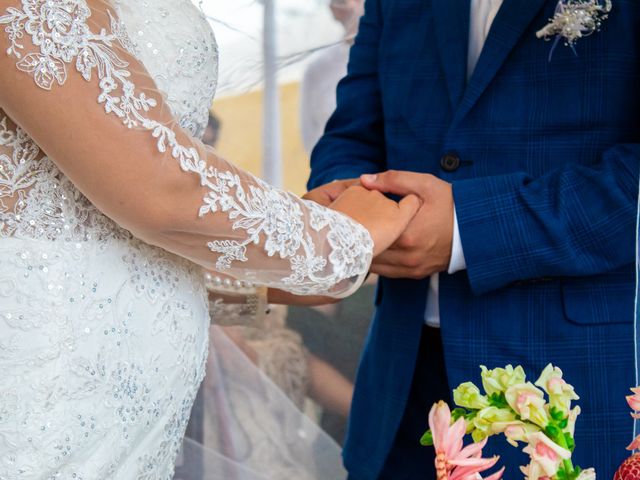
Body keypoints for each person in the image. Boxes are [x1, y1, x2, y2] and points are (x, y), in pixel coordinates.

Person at [0, 0, 422, 478]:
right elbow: (160, 186)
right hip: (52, 373)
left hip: (127, 396)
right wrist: (337, 239)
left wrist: (257, 284)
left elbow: (105, 238)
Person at [307, 0, 640, 478]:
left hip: (569, 381)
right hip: (400, 384)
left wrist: (470, 226)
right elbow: (354, 133)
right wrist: (350, 204)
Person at [300, 0, 364, 154]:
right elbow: (311, 139)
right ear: (332, 9)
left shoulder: (400, 58)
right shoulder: (317, 70)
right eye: (341, 1)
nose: (350, 5)